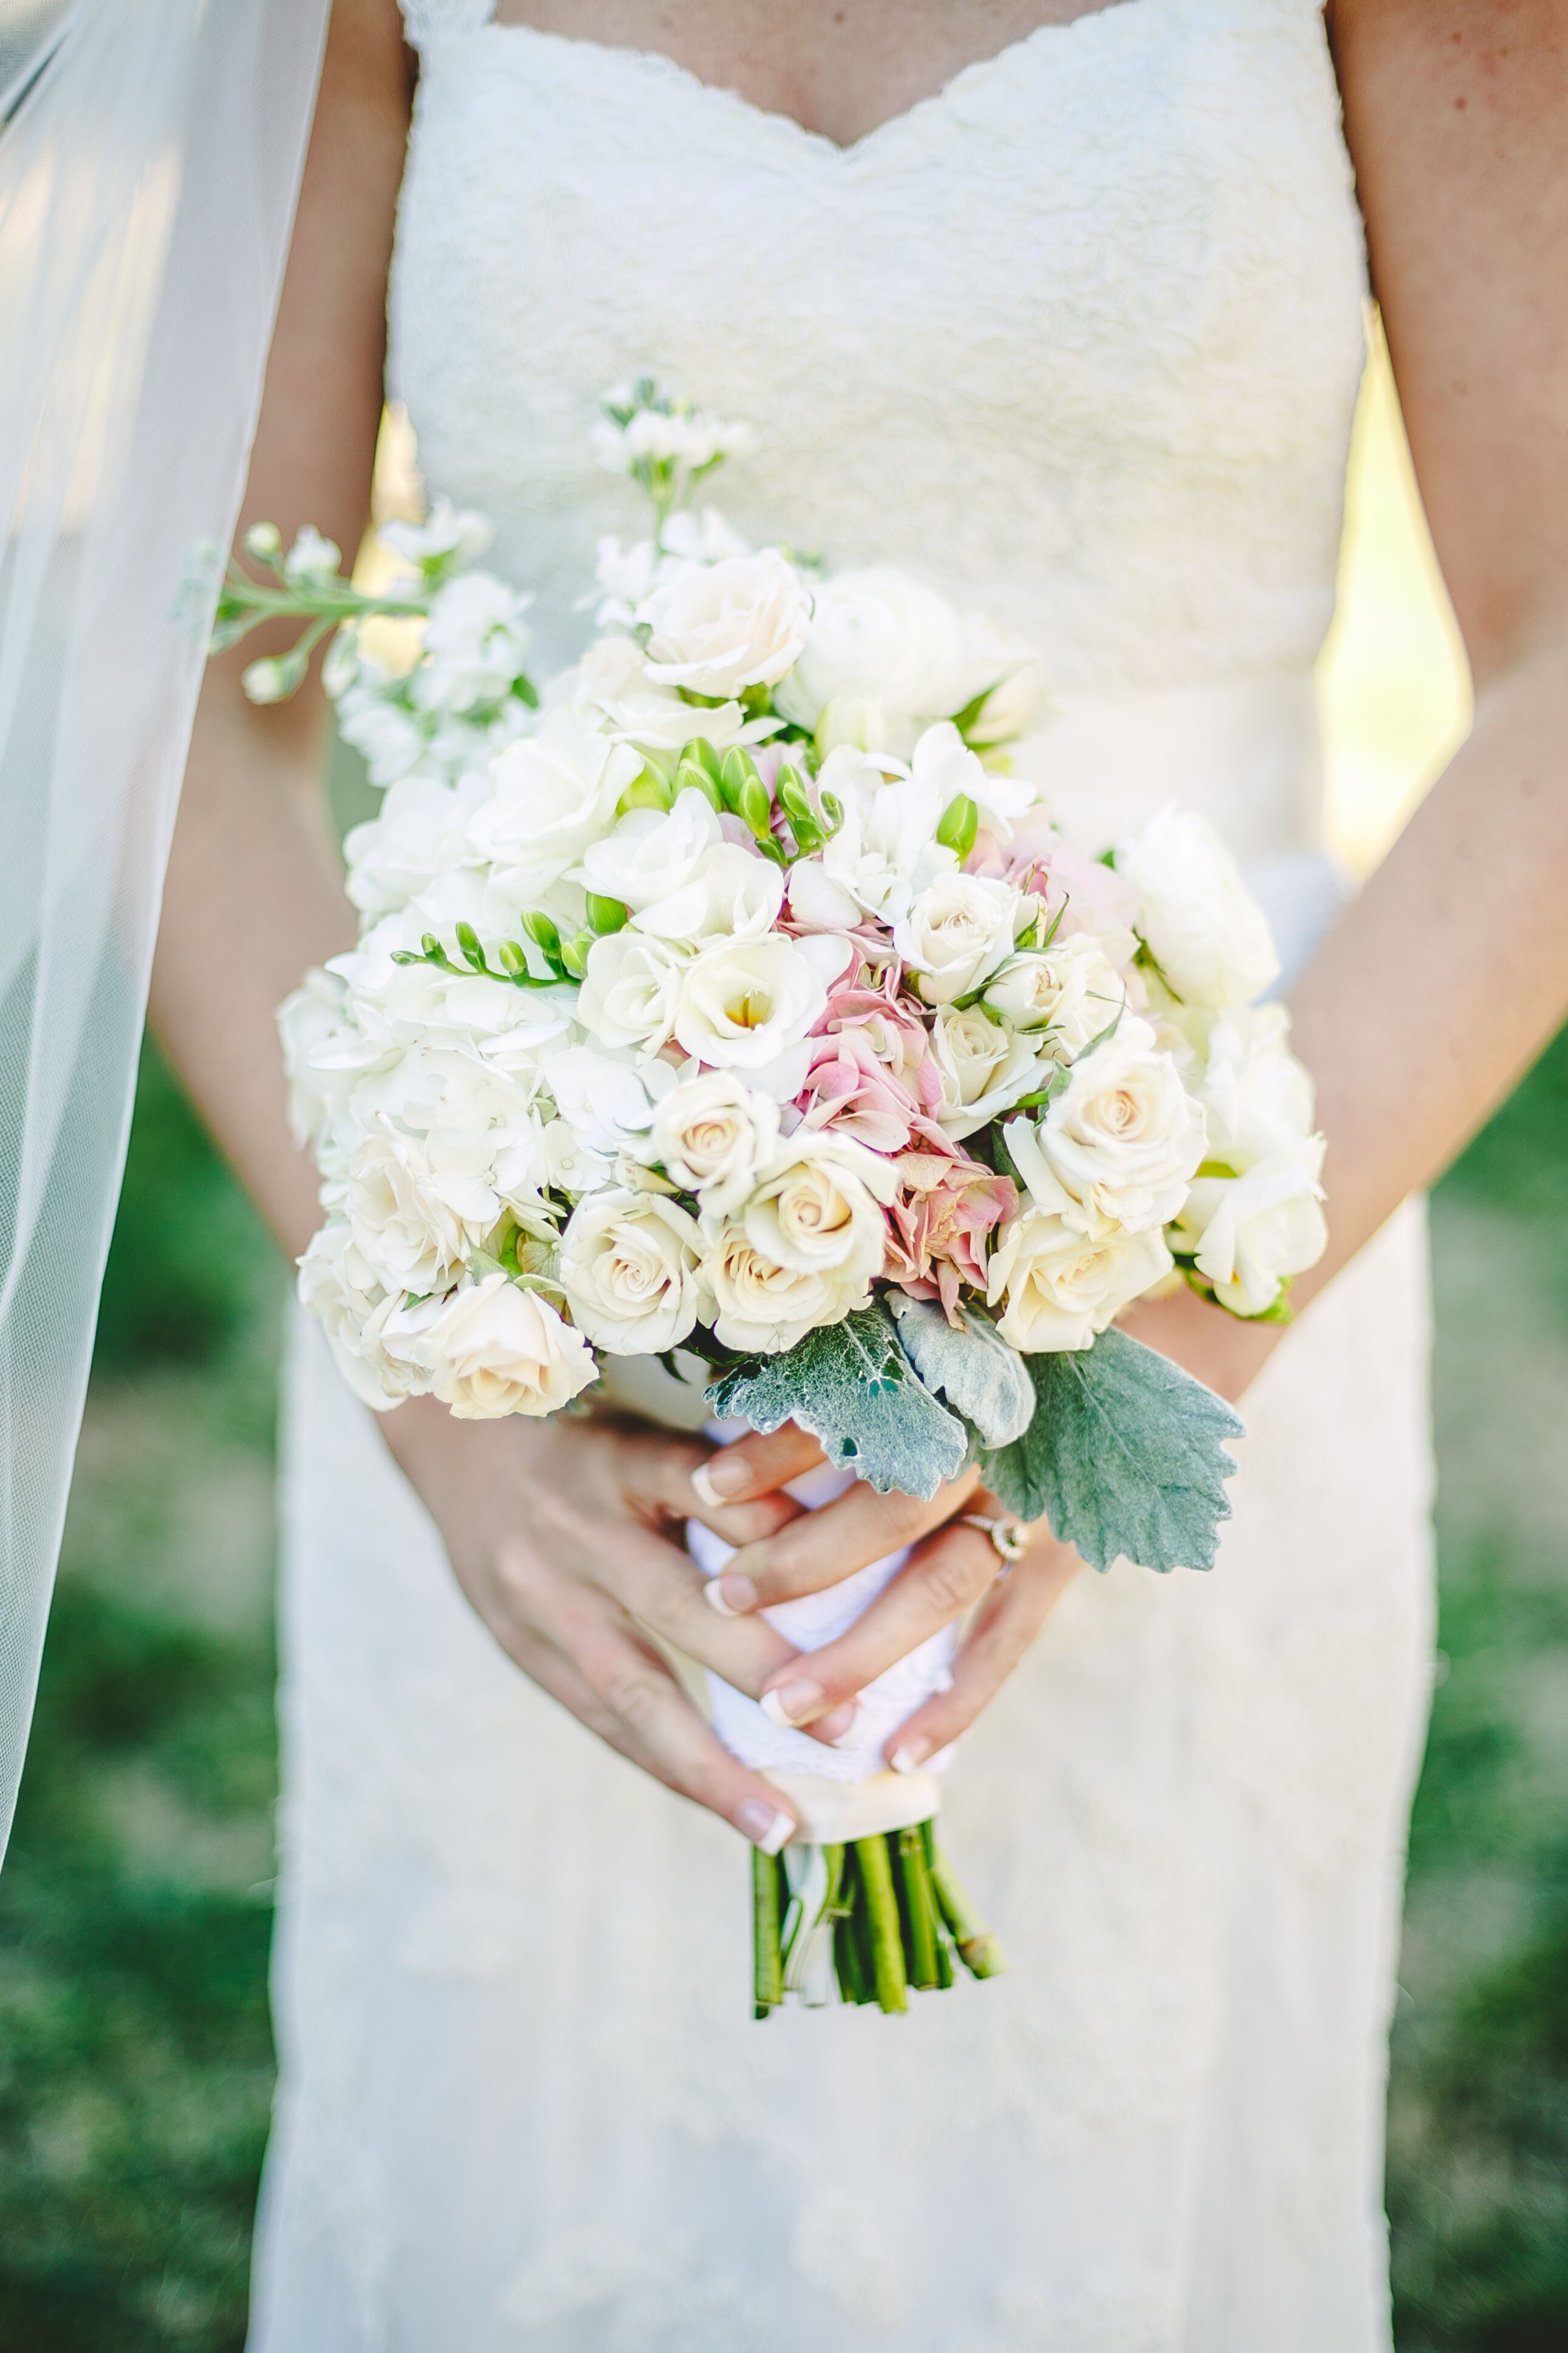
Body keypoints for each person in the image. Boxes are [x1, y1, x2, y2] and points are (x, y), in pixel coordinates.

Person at [144, 3, 1568, 2346]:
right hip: (548, 1304)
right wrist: (458, 1415)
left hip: (1195, 1247)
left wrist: (1147, 1365)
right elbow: (196, 694)